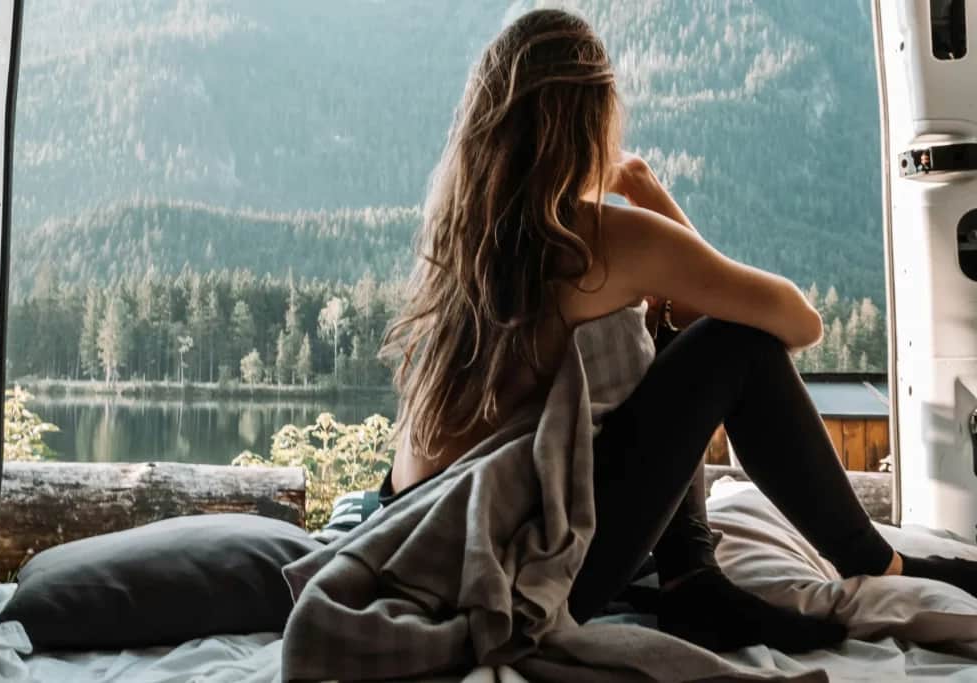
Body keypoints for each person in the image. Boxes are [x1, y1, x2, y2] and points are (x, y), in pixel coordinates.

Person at [375, 8, 977, 654]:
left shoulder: (459, 245)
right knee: (734, 341)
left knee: (664, 332)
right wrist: (646, 189)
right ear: (591, 119)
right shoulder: (599, 238)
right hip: (510, 581)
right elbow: (796, 322)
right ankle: (871, 560)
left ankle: (695, 582)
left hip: (418, 551)